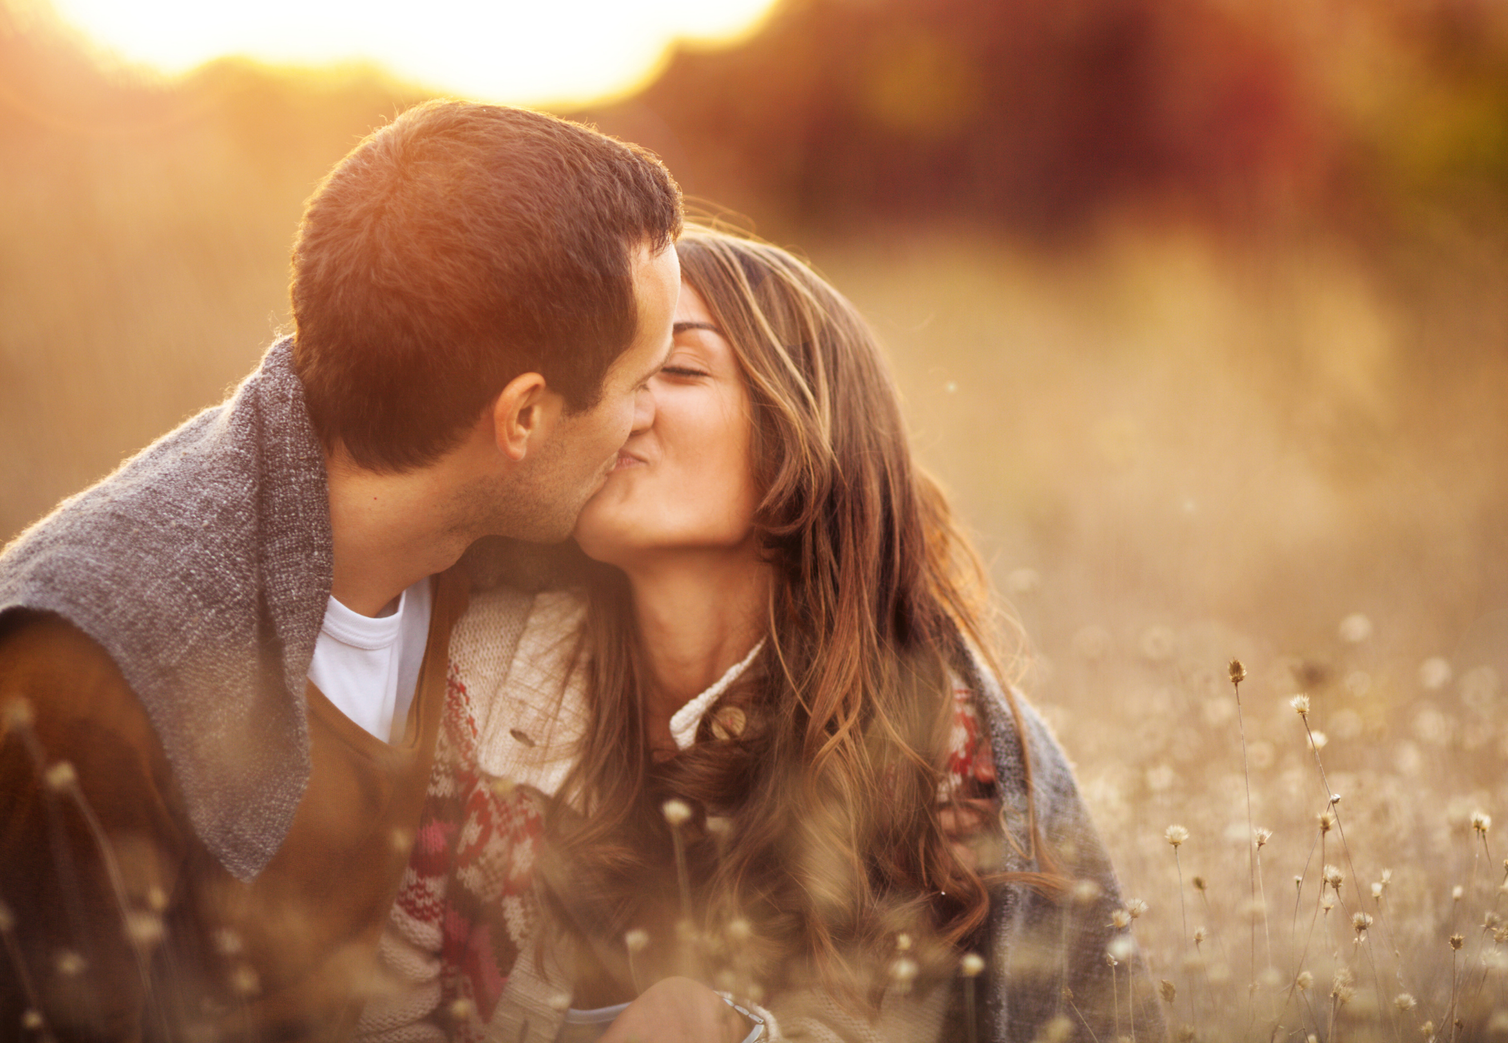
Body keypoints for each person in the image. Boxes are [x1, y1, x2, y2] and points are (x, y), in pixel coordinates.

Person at [360, 228, 1161, 1043]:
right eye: (599, 374)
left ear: (805, 425)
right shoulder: (473, 672)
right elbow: (376, 1016)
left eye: (676, 369)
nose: (617, 406)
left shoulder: (937, 752)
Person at [0, 100, 684, 1041]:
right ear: (523, 417)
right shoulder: (93, 678)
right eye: (642, 381)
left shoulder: (481, 549)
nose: (650, 418)